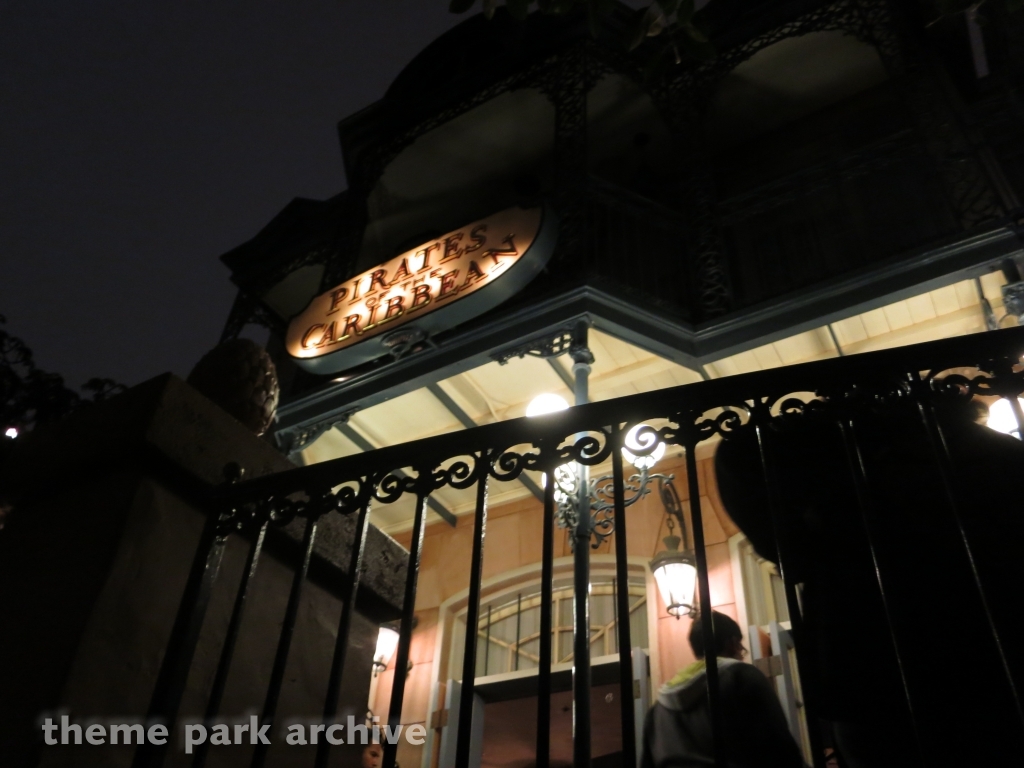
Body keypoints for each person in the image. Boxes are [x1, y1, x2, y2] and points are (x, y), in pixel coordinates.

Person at [641, 610, 806, 768]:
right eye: (742, 648)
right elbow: (781, 751)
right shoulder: (742, 678)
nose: (742, 654)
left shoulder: (657, 709)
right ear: (733, 643)